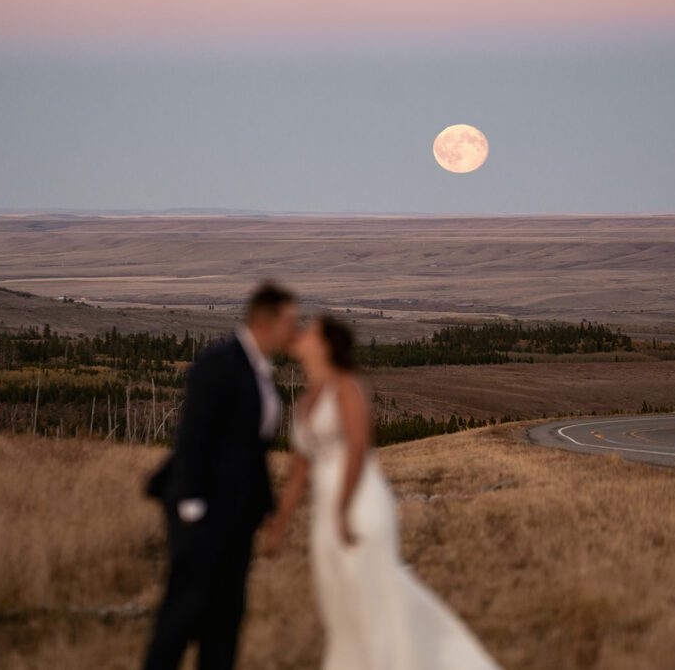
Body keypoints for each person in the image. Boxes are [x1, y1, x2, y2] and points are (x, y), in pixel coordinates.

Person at [264, 315, 503, 670]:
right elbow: (299, 471)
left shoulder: (346, 387)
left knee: (372, 595)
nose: (301, 334)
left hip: (360, 505)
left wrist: (344, 509)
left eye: (310, 332)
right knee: (339, 604)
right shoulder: (306, 399)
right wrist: (280, 522)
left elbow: (357, 448)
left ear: (326, 346)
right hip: (326, 513)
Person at [144, 282, 298, 670]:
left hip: (238, 516)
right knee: (182, 615)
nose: (294, 332)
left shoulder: (260, 370)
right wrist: (193, 509)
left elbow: (249, 449)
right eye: (290, 323)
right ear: (265, 321)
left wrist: (262, 511)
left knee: (225, 621)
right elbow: (192, 437)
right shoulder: (220, 363)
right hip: (203, 514)